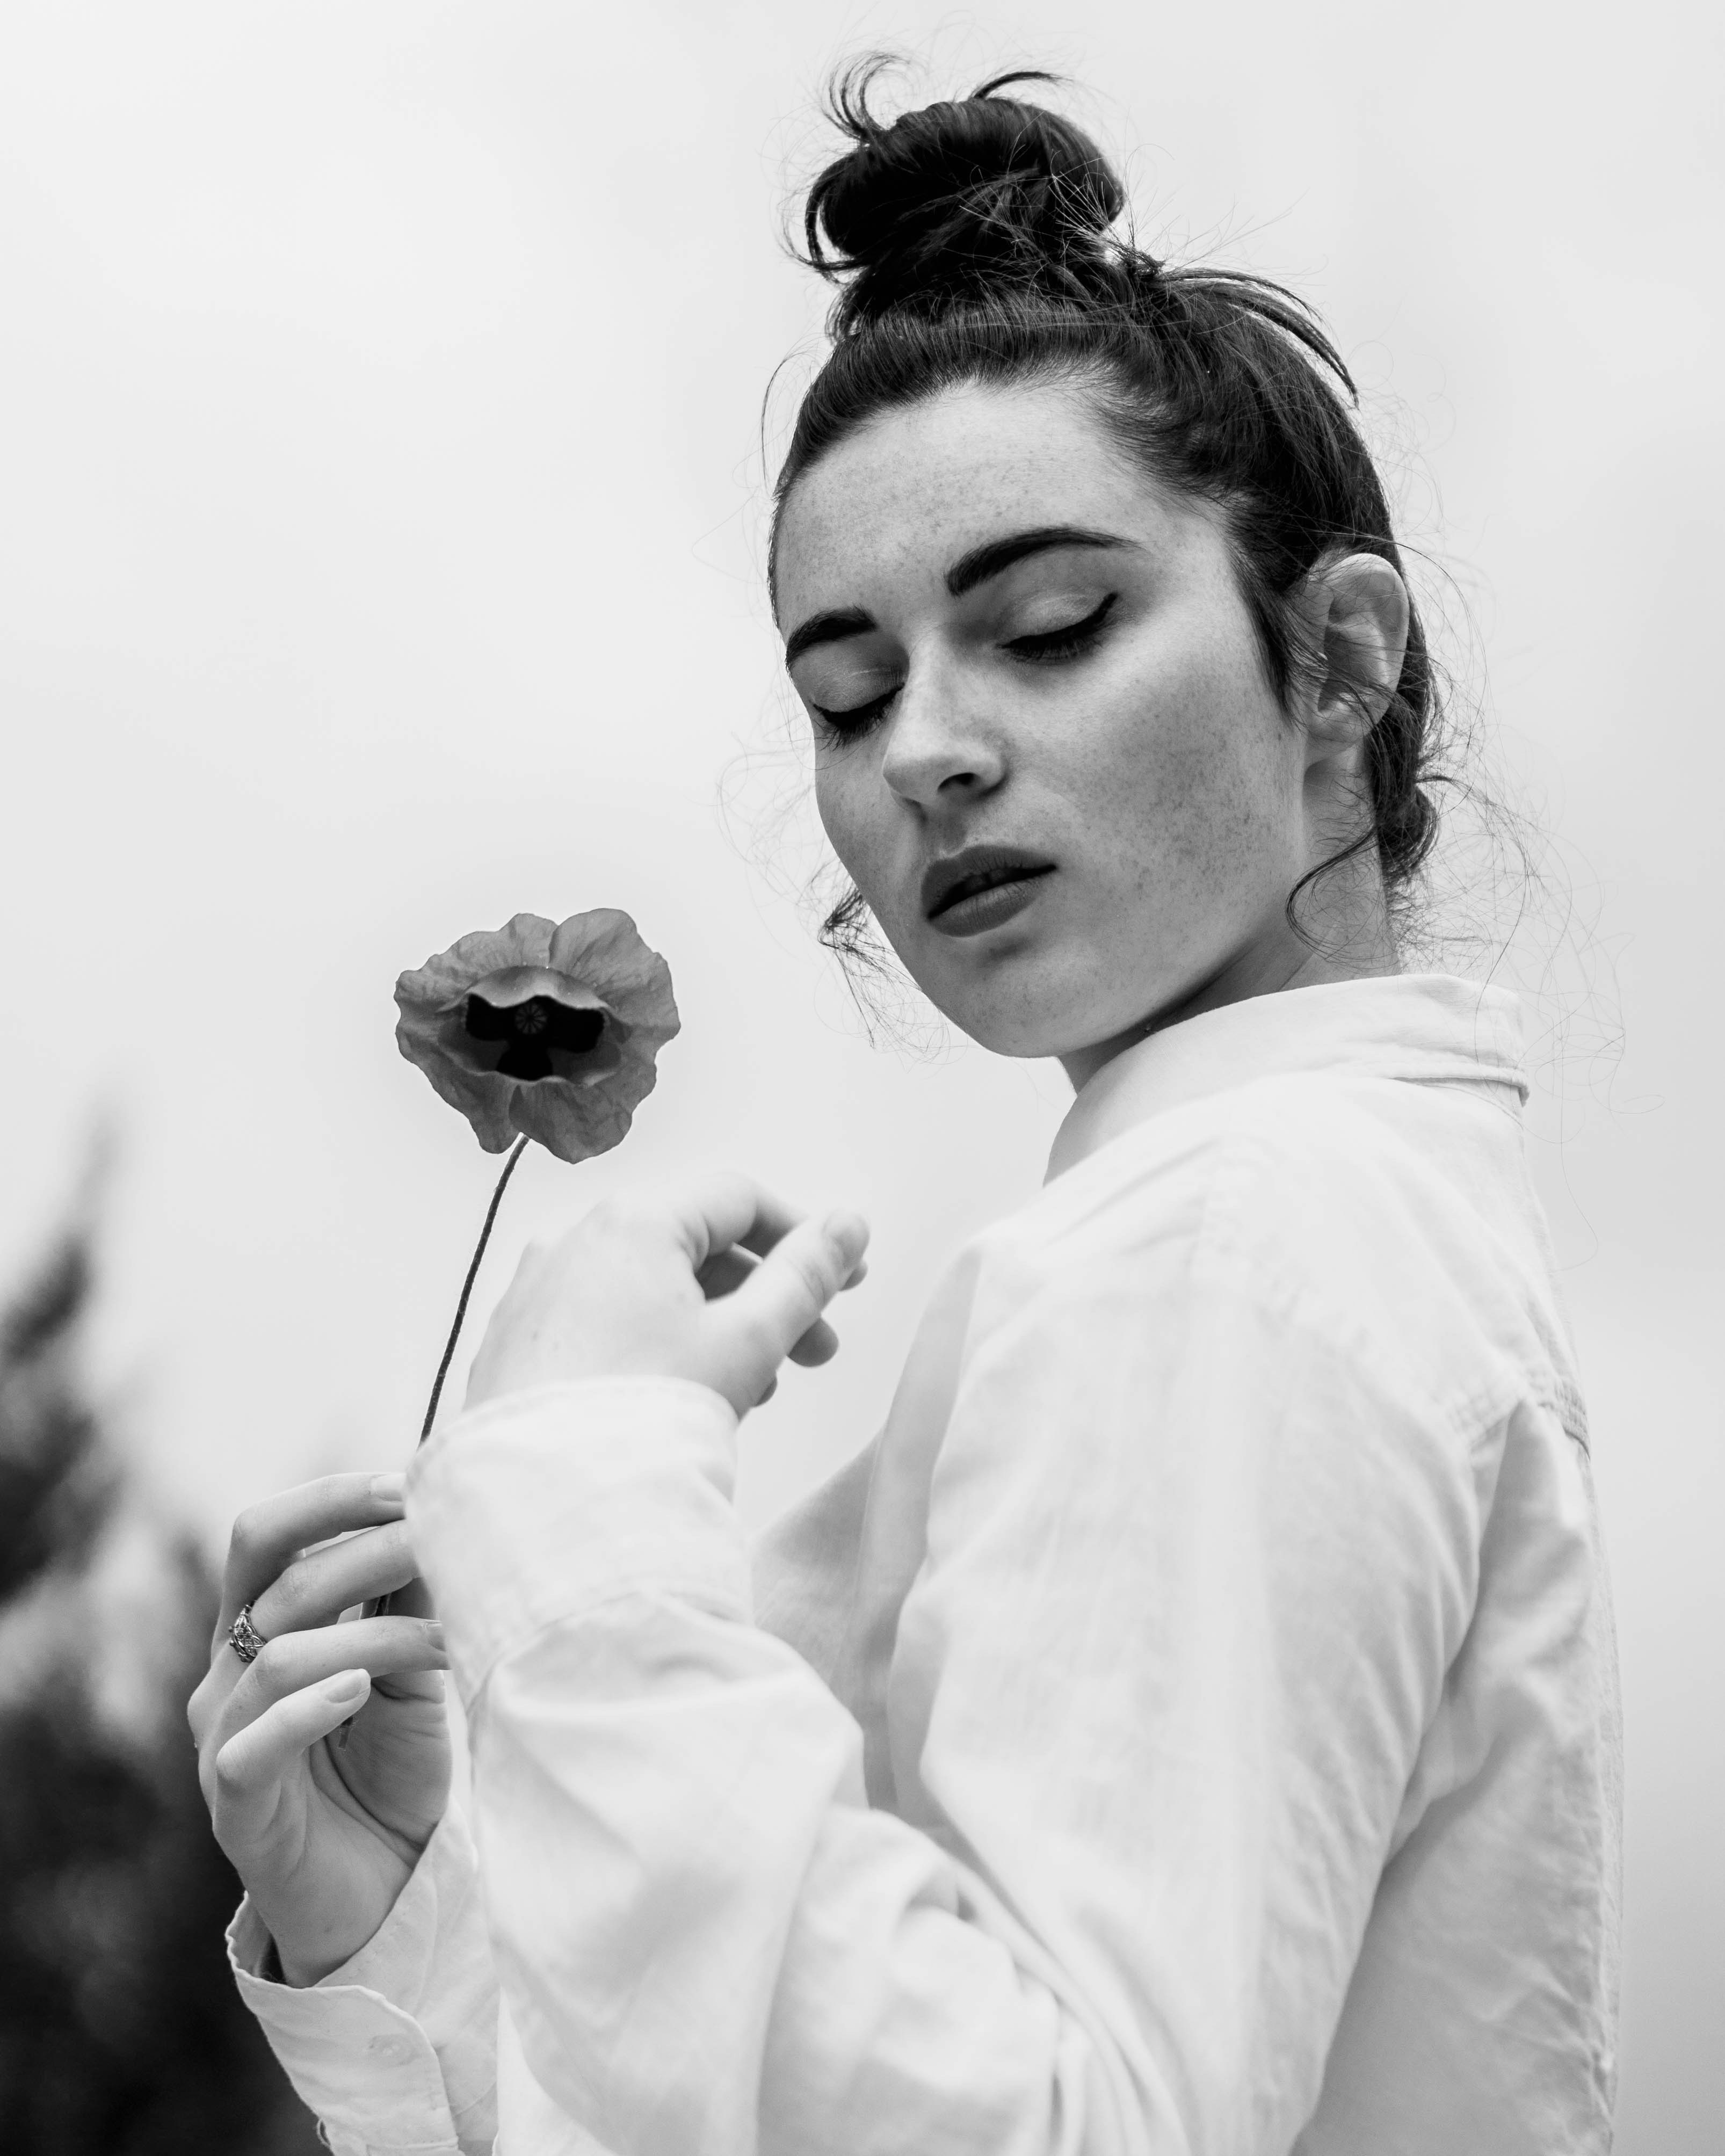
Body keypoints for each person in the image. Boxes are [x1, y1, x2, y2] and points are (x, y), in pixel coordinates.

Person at [189, 70, 1621, 2156]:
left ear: (1336, 661)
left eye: (1049, 625)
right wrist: (409, 1924)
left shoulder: (1225, 1232)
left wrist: (587, 1492)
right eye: (845, 691)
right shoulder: (1314, 1218)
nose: (926, 750)